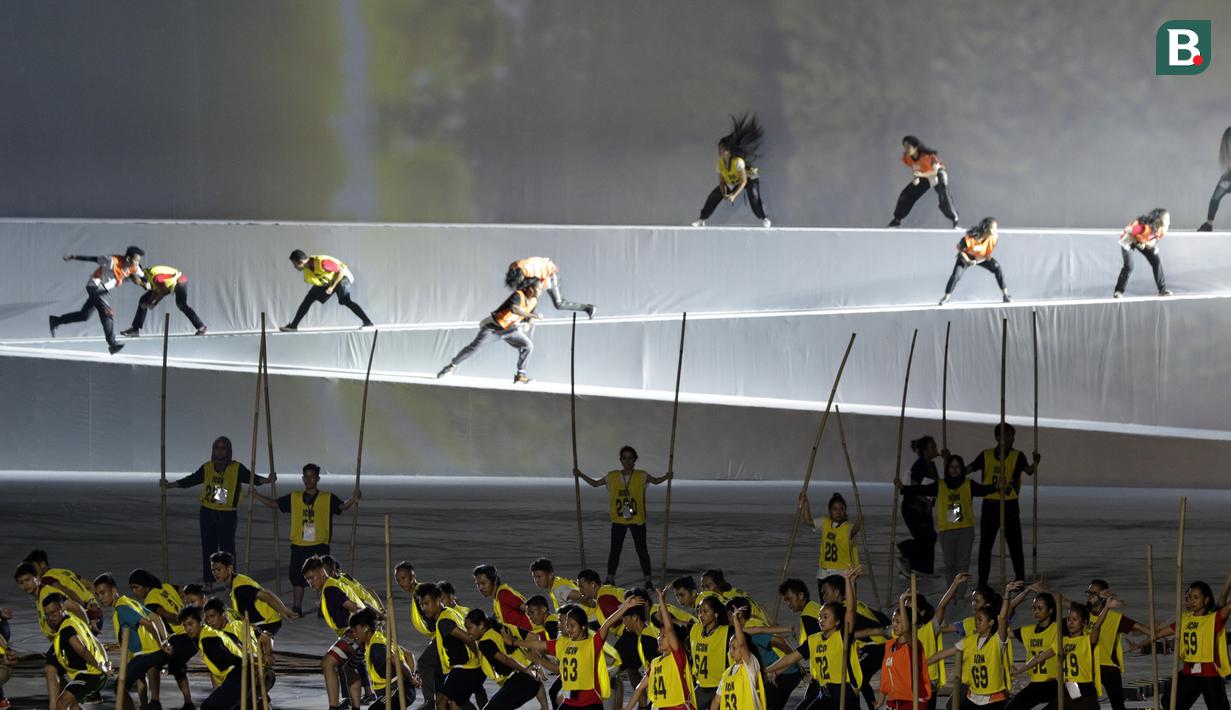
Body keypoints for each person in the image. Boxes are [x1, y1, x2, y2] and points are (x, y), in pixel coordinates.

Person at [251, 462, 360, 616]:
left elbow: (342, 507)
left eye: (312, 477)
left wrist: (354, 498)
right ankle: (297, 607)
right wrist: (255, 495)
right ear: (303, 478)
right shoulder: (294, 497)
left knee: (322, 578)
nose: (309, 480)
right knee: (297, 577)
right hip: (299, 545)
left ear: (317, 478)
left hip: (319, 546)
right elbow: (274, 504)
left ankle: (324, 607)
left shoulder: (327, 498)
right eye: (306, 477)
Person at [163, 436, 270, 587]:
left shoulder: (236, 468)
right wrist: (170, 485)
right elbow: (191, 480)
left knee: (228, 548)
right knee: (208, 547)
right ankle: (209, 581)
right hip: (208, 512)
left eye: (223, 448)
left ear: (228, 451)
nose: (219, 452)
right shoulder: (207, 467)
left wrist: (268, 480)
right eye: (217, 448)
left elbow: (252, 478)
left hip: (227, 513)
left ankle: (232, 580)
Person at [511, 598, 641, 710]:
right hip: (570, 702)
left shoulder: (592, 644)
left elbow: (607, 625)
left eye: (572, 626)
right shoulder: (563, 644)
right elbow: (539, 644)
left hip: (590, 702)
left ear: (583, 627)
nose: (568, 629)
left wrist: (626, 607)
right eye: (567, 625)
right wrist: (515, 642)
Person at [765, 568, 863, 710]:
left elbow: (851, 610)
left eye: (825, 617)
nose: (821, 620)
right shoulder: (814, 640)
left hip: (844, 691)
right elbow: (792, 657)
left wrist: (848, 582)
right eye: (820, 617)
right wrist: (768, 670)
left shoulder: (842, 635)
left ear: (837, 621)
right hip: (824, 690)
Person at [575, 446, 672, 588]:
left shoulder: (641, 475)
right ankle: (610, 577)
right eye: (624, 458)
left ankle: (647, 579)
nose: (627, 461)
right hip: (618, 520)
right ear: (621, 460)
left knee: (641, 550)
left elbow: (656, 481)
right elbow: (595, 484)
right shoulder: (613, 476)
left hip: (637, 519)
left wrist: (667, 476)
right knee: (615, 550)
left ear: (635, 460)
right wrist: (580, 474)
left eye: (630, 458)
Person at [901, 455, 995, 593]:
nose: (954, 470)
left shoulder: (968, 484)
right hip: (947, 530)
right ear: (947, 468)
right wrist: (903, 488)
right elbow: (922, 489)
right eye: (951, 466)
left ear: (962, 469)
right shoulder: (940, 485)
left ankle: (961, 595)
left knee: (963, 565)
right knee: (950, 565)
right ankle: (951, 593)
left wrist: (997, 486)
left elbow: (983, 489)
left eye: (957, 467)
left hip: (965, 530)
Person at [1138, 578, 1231, 710]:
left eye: (1196, 597)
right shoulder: (1185, 620)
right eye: (1189, 598)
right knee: (1170, 703)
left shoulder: (1213, 619)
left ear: (1206, 599)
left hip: (1209, 673)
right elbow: (1158, 634)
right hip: (1189, 672)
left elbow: (1226, 604)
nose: (1191, 601)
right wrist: (1140, 643)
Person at [966, 424, 1040, 586]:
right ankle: (982, 582)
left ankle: (1019, 579)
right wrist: (950, 462)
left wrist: (1035, 462)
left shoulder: (1017, 456)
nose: (1011, 439)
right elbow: (968, 469)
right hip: (990, 505)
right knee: (985, 545)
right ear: (998, 437)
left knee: (1015, 544)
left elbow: (1028, 471)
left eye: (1012, 436)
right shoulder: (985, 455)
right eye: (1007, 436)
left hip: (1010, 505)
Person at [1013, 598, 1117, 710]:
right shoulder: (1062, 641)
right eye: (1068, 619)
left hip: (1085, 690)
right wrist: (1020, 670)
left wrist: (1106, 607)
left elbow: (1097, 626)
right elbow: (1039, 657)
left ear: (1084, 623)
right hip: (1068, 689)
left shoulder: (1087, 640)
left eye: (1074, 620)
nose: (1070, 623)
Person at [438, 279, 542, 384]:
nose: (541, 291)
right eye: (539, 288)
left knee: (528, 346)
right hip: (492, 328)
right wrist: (533, 316)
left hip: (510, 329)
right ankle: (450, 367)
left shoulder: (534, 301)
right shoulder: (518, 295)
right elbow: (514, 309)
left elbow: (529, 314)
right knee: (474, 348)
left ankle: (520, 375)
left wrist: (529, 322)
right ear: (531, 289)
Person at [91, 573, 170, 710]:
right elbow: (156, 617)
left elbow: (149, 624)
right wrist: (164, 641)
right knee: (139, 677)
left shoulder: (121, 609)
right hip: (148, 653)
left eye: (103, 593)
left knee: (119, 688)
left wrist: (162, 643)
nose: (100, 598)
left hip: (144, 654)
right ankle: (146, 705)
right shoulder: (129, 601)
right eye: (98, 595)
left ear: (114, 591)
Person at [49, 246, 146, 354]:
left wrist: (146, 284)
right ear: (128, 259)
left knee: (84, 315)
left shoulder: (134, 268)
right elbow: (93, 259)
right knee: (107, 313)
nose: (137, 263)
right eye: (136, 261)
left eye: (138, 262)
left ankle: (56, 320)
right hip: (95, 287)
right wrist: (73, 257)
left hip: (102, 291)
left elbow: (144, 277)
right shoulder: (112, 261)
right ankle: (112, 344)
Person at [925, 591, 1010, 710]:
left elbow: (1003, 618)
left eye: (980, 620)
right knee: (951, 706)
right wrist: (922, 664)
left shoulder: (997, 640)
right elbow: (942, 654)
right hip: (973, 697)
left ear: (991, 622)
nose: (976, 623)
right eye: (976, 620)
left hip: (993, 698)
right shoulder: (969, 641)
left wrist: (1007, 595)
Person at [304, 555, 368, 710]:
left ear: (321, 572)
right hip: (363, 631)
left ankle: (334, 707)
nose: (310, 583)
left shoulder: (331, 589)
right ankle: (355, 706)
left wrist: (360, 632)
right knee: (347, 667)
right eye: (307, 580)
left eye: (311, 578)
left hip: (356, 632)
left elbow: (355, 607)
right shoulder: (333, 585)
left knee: (328, 663)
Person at [692, 113, 771, 228]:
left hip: (749, 178)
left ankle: (764, 218)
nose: (720, 150)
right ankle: (701, 219)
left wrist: (733, 195)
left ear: (729, 151)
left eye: (722, 148)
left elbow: (743, 181)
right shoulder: (719, 164)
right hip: (734, 180)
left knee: (754, 197)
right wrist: (724, 193)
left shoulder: (738, 162)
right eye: (719, 148)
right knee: (713, 196)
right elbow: (722, 182)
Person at [417, 581, 488, 710]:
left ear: (438, 600)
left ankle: (429, 702)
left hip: (465, 668)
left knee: (441, 702)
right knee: (453, 702)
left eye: (427, 603)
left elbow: (468, 639)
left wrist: (479, 658)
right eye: (421, 604)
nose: (423, 608)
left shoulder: (444, 622)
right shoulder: (449, 612)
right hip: (466, 667)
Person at [624, 588, 696, 710]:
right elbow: (639, 688)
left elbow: (669, 628)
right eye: (659, 635)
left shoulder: (676, 656)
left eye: (663, 636)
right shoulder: (655, 663)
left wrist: (662, 601)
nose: (659, 638)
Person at [1085, 580, 1151, 710]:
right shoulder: (1083, 614)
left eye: (1094, 593)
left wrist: (1140, 644)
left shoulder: (1115, 617)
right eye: (1089, 593)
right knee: (1083, 701)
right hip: (1087, 665)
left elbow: (1146, 631)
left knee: (1117, 704)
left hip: (1108, 666)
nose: (1090, 596)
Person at [465, 609, 545, 710]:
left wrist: (524, 670)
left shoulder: (484, 642)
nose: (467, 632)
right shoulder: (504, 628)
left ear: (481, 625)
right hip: (530, 682)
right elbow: (534, 637)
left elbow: (505, 659)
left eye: (469, 628)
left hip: (519, 681)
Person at [44, 593, 109, 710]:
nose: (50, 618)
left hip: (90, 675)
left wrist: (99, 666)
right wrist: (105, 663)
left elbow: (81, 650)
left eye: (53, 613)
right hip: (95, 674)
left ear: (62, 609)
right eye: (47, 615)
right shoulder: (74, 620)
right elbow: (97, 642)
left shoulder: (66, 629)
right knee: (74, 706)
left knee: (61, 705)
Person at [280, 249, 373, 331]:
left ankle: (368, 323)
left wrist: (332, 287)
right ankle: (293, 325)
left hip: (343, 277)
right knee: (309, 298)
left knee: (345, 300)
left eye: (294, 264)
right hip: (329, 280)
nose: (294, 267)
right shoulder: (308, 268)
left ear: (300, 261)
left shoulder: (321, 263)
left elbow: (340, 270)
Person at [211, 551, 297, 636]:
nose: (215, 573)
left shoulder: (240, 587)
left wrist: (283, 610)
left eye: (218, 569)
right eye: (213, 570)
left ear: (229, 568)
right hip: (264, 622)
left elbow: (266, 595)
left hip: (266, 623)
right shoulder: (238, 579)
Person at [178, 604, 246, 710]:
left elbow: (228, 658)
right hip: (243, 674)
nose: (188, 629)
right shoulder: (211, 633)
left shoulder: (208, 639)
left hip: (242, 675)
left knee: (208, 707)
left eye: (190, 624)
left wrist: (250, 662)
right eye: (185, 626)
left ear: (200, 621)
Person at [351, 608, 419, 710]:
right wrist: (411, 678)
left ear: (365, 628)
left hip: (398, 691)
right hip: (399, 690)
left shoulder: (377, 648)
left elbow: (399, 662)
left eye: (355, 630)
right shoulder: (378, 639)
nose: (354, 634)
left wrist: (411, 679)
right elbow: (409, 655)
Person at [889, 136, 959, 229]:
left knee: (943, 197)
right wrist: (916, 179)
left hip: (938, 175)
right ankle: (897, 219)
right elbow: (916, 170)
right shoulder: (908, 158)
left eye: (908, 146)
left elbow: (934, 172)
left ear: (916, 147)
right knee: (906, 194)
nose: (906, 149)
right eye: (904, 146)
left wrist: (921, 175)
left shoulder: (929, 157)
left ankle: (954, 218)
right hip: (925, 177)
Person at [876, 595, 932, 710]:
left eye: (898, 622)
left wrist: (901, 601)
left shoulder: (914, 645)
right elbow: (886, 675)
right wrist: (881, 700)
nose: (894, 625)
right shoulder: (889, 645)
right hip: (894, 700)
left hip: (913, 700)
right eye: (893, 620)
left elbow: (907, 630)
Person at [120, 264, 207, 337]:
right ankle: (135, 330)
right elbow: (155, 290)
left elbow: (163, 290)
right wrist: (149, 302)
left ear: (138, 276)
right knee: (143, 300)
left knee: (181, 304)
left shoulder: (154, 277)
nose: (134, 283)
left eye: (133, 279)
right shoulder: (145, 276)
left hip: (179, 281)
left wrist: (153, 303)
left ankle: (201, 328)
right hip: (166, 284)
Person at [939, 218, 1011, 305]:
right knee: (956, 276)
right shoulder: (970, 237)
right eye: (994, 228)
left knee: (997, 267)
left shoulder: (994, 237)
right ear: (986, 228)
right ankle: (946, 297)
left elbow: (987, 251)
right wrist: (968, 260)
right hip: (966, 257)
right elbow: (960, 249)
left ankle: (1005, 295)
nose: (996, 230)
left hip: (981, 257)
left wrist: (984, 258)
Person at [800, 492, 861, 588]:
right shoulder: (825, 522)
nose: (838, 512)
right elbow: (808, 521)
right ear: (830, 511)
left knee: (844, 603)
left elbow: (853, 532)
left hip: (842, 573)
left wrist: (860, 522)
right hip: (824, 572)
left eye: (842, 509)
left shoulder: (849, 527)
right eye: (835, 509)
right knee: (825, 603)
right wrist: (805, 504)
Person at [899, 436, 941, 576]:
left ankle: (925, 569)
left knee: (931, 537)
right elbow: (913, 486)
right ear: (924, 450)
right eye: (932, 446)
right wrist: (926, 501)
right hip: (913, 508)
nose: (935, 449)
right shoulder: (920, 465)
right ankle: (906, 551)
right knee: (925, 538)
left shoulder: (932, 465)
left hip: (924, 509)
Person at [507, 257, 596, 319]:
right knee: (525, 296)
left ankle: (588, 308)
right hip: (542, 267)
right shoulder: (513, 266)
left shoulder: (535, 274)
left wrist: (531, 315)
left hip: (550, 274)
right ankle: (524, 316)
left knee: (559, 304)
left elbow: (536, 293)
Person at [1113, 208, 1173, 298]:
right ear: (1159, 220)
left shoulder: (1160, 231)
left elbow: (1151, 241)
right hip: (1129, 239)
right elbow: (1127, 230)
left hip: (1141, 240)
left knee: (1156, 261)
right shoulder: (1145, 227)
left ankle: (1162, 289)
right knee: (1129, 266)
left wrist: (1147, 245)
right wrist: (1138, 243)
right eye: (1167, 219)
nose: (1169, 222)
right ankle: (1118, 291)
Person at [475, 564, 533, 633]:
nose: (480, 588)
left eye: (483, 583)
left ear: (495, 580)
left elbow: (529, 609)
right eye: (478, 584)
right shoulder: (497, 599)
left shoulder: (504, 594)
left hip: (535, 637)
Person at [1197, 127, 1231, 232]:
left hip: (1228, 177)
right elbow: (1226, 149)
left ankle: (1209, 224)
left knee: (1215, 199)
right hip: (1228, 177)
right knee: (1215, 199)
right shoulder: (1229, 133)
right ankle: (1209, 224)